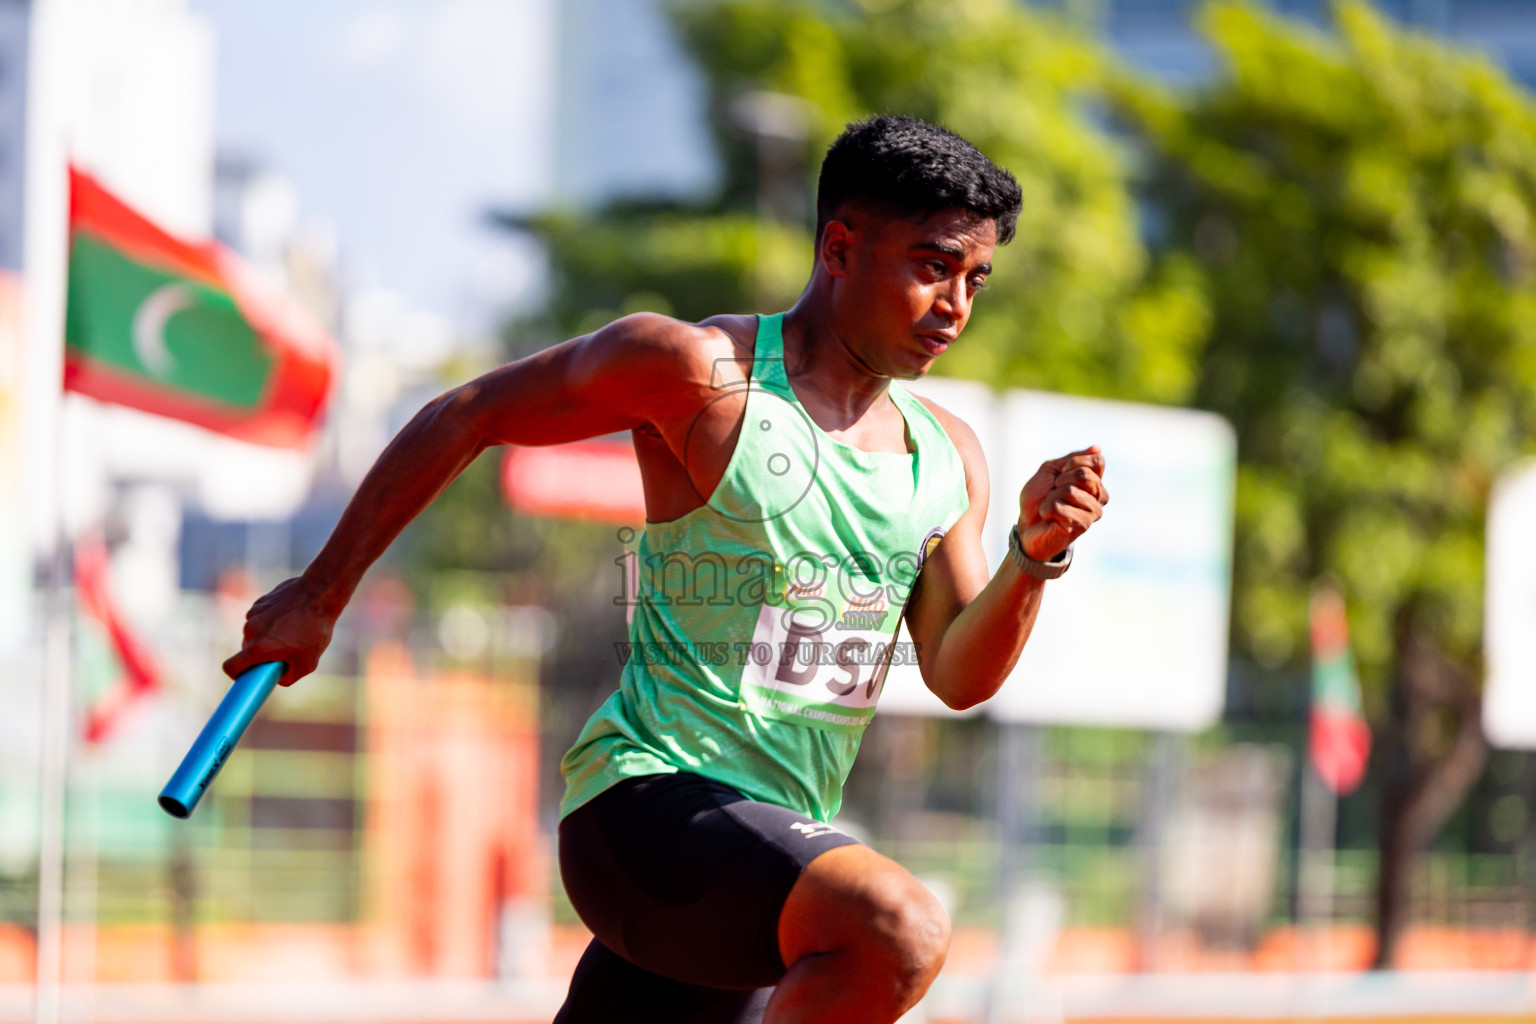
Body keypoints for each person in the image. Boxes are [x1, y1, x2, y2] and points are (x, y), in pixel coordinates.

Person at [223, 115, 1108, 1024]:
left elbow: (959, 674)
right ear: (839, 248)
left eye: (976, 279)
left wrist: (1032, 559)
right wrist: (320, 592)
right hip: (645, 811)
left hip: (764, 859)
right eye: (933, 266)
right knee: (898, 928)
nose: (958, 305)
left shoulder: (946, 455)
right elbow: (469, 411)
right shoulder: (699, 372)